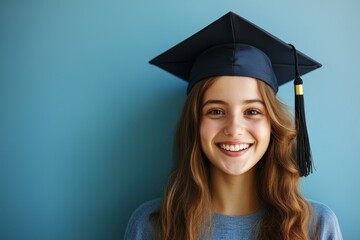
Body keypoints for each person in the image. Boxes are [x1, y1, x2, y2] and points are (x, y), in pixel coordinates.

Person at [124, 12, 342, 240]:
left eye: (252, 111)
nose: (234, 128)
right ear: (195, 124)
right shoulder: (153, 224)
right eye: (216, 111)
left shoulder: (316, 225)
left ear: (272, 125)